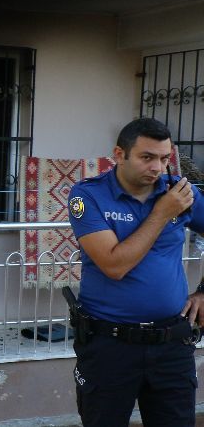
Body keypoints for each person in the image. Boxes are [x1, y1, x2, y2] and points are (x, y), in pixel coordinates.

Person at [67, 117, 204, 426]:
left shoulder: (180, 193)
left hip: (172, 344)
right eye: (147, 157)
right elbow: (114, 265)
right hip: (109, 346)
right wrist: (162, 212)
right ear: (119, 154)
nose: (157, 167)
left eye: (164, 158)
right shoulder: (88, 195)